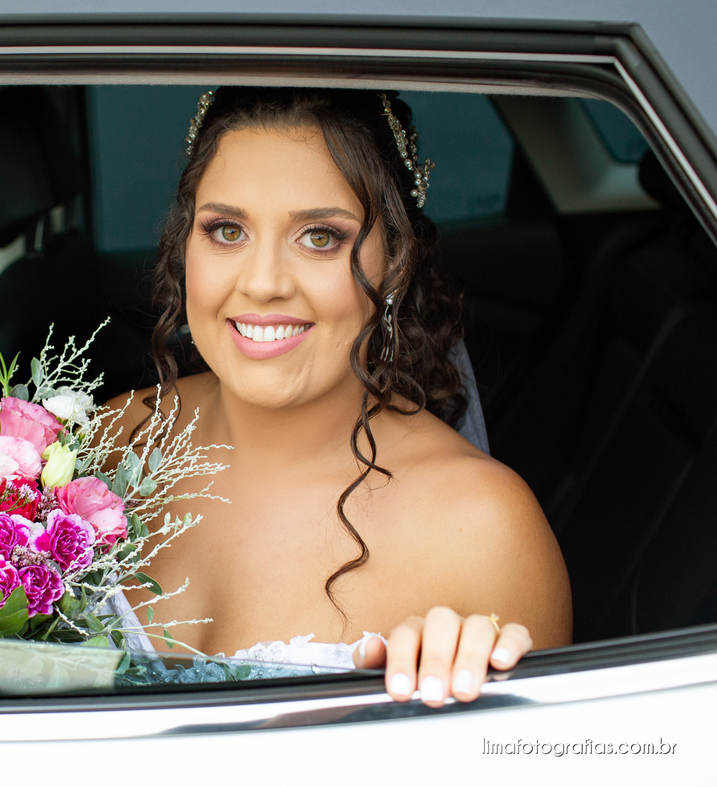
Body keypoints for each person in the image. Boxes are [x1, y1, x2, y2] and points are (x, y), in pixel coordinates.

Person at [105, 87, 571, 706]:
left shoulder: (484, 528)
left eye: (320, 236)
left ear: (396, 262)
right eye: (226, 230)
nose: (263, 283)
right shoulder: (109, 443)